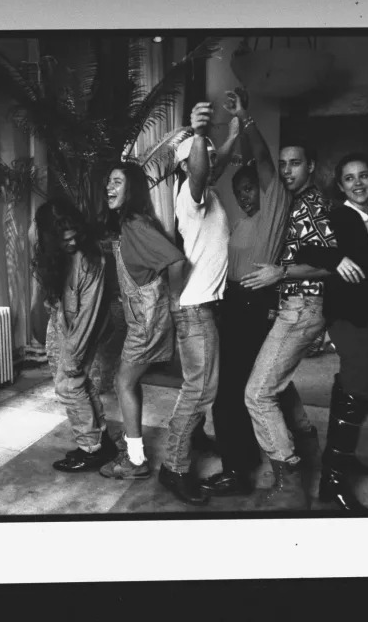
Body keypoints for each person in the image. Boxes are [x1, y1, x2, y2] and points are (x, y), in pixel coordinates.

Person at [240, 141, 365, 510]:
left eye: (295, 163)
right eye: (283, 164)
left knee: (257, 393)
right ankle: (307, 445)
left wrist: (280, 272)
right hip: (292, 306)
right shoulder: (296, 202)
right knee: (275, 382)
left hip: (303, 307)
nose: (287, 171)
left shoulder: (313, 205)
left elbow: (330, 263)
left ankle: (290, 482)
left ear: (311, 166)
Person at [200, 89, 306, 498]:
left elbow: (262, 161)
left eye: (252, 189)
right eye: (241, 190)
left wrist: (245, 119)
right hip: (233, 305)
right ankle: (243, 460)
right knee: (231, 389)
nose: (246, 195)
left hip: (250, 306)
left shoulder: (274, 204)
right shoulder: (244, 222)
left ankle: (236, 472)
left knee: (228, 395)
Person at [152, 101, 238, 505]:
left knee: (202, 387)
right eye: (201, 157)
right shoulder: (191, 192)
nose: (209, 161)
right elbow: (203, 168)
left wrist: (236, 127)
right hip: (195, 310)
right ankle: (174, 469)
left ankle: (195, 438)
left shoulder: (209, 193)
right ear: (187, 166)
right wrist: (198, 133)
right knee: (199, 390)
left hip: (202, 306)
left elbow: (216, 162)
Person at [295, 152, 368, 510]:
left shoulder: (364, 217)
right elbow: (303, 248)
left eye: (364, 175)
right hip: (347, 315)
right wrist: (334, 259)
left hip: (363, 312)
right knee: (359, 389)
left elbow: (367, 264)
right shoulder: (342, 215)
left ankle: (342, 461)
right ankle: (332, 482)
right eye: (350, 178)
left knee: (357, 386)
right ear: (341, 185)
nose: (359, 182)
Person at [97, 162, 186, 483]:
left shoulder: (134, 223)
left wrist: (176, 301)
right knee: (128, 382)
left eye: (117, 182)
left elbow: (175, 260)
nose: (110, 187)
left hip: (149, 320)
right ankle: (133, 447)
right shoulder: (130, 224)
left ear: (131, 188)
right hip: (142, 317)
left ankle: (135, 461)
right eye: (109, 181)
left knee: (123, 382)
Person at [33, 199, 120, 472]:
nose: (71, 243)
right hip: (69, 321)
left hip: (90, 324)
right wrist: (53, 299)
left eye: (74, 238)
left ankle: (91, 449)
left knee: (68, 385)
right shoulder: (52, 250)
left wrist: (74, 355)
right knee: (76, 382)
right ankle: (101, 439)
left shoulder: (92, 260)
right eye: (64, 240)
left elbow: (89, 315)